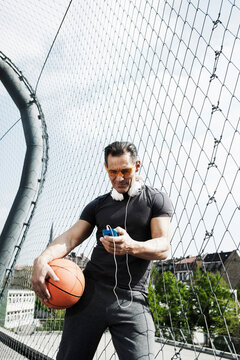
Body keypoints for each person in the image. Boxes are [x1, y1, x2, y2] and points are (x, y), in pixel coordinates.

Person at [32, 141, 173, 360]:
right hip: (90, 293)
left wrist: (131, 246)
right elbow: (70, 238)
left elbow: (163, 246)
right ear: (106, 169)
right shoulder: (98, 205)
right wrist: (42, 258)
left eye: (125, 171)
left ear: (137, 166)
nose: (119, 178)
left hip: (133, 297)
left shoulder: (156, 200)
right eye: (112, 172)